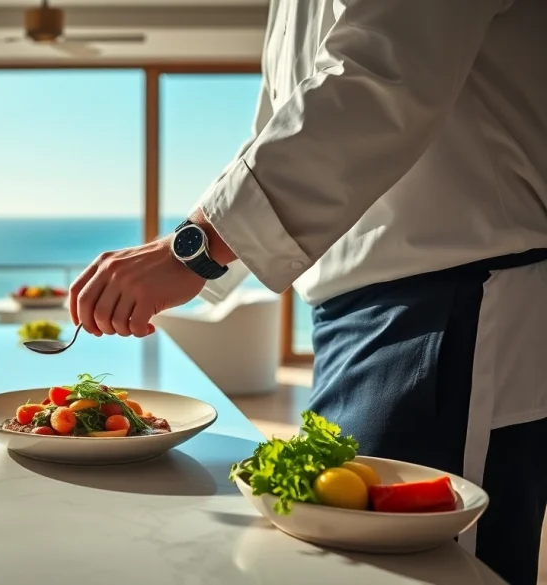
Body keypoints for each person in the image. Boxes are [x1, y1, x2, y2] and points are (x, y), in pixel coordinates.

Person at [68, 0, 547, 582]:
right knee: (341, 556)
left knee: (423, 570)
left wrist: (193, 249)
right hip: (350, 313)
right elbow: (280, 128)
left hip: (457, 301)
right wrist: (206, 263)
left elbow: (380, 79)